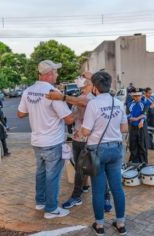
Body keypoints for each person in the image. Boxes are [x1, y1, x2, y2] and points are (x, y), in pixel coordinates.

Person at [46, 73, 113, 213]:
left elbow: (83, 102)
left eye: (85, 85)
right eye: (81, 87)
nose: (82, 88)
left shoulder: (93, 99)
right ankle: (80, 193)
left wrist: (62, 98)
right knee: (79, 170)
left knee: (98, 170)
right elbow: (73, 116)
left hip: (90, 141)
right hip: (77, 139)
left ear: (92, 86)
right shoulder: (79, 98)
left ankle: (105, 197)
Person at [17, 60, 74, 219]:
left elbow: (20, 114)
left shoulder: (28, 91)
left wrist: (37, 111)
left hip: (37, 141)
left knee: (41, 173)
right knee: (52, 176)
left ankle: (40, 201)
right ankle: (51, 209)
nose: (57, 74)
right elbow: (69, 119)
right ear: (49, 74)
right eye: (56, 72)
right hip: (52, 142)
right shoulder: (52, 92)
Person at [81, 71, 128, 236]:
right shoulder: (118, 102)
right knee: (117, 188)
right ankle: (120, 224)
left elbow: (86, 131)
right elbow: (124, 128)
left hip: (97, 150)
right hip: (116, 148)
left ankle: (100, 226)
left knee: (98, 190)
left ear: (94, 87)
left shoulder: (93, 104)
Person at [127, 88, 148, 164]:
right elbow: (128, 115)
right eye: (135, 96)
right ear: (133, 96)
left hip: (141, 127)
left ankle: (143, 162)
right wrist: (132, 118)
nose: (137, 97)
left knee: (142, 144)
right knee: (133, 144)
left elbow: (144, 114)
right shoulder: (129, 104)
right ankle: (134, 162)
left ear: (141, 96)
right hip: (133, 127)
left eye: (138, 96)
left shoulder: (144, 104)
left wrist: (139, 120)